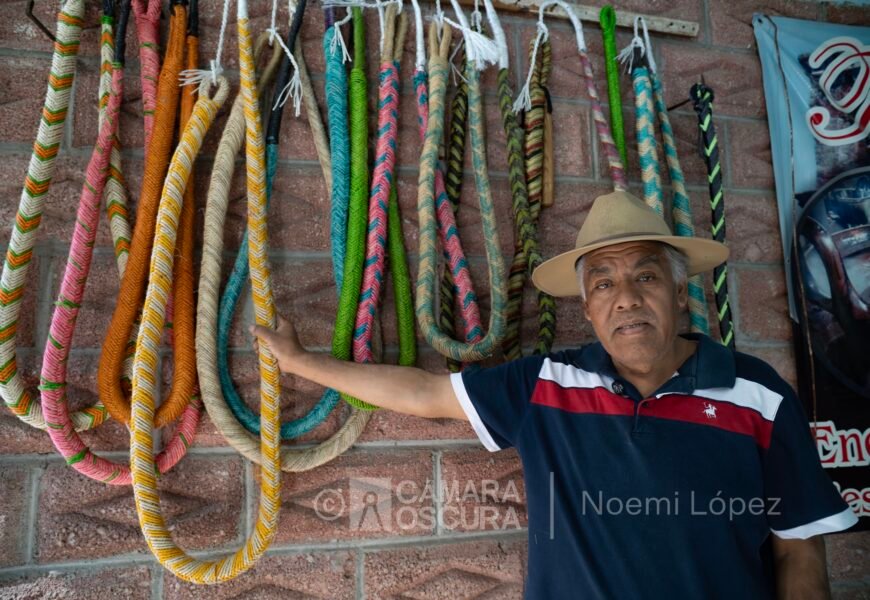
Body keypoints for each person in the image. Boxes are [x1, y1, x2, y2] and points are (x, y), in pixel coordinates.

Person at [251, 190, 858, 599]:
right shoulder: (546, 384)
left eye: (646, 276)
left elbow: (799, 551)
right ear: (587, 309)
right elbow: (424, 392)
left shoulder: (758, 396)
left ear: (679, 293)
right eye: (603, 283)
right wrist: (304, 362)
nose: (626, 298)